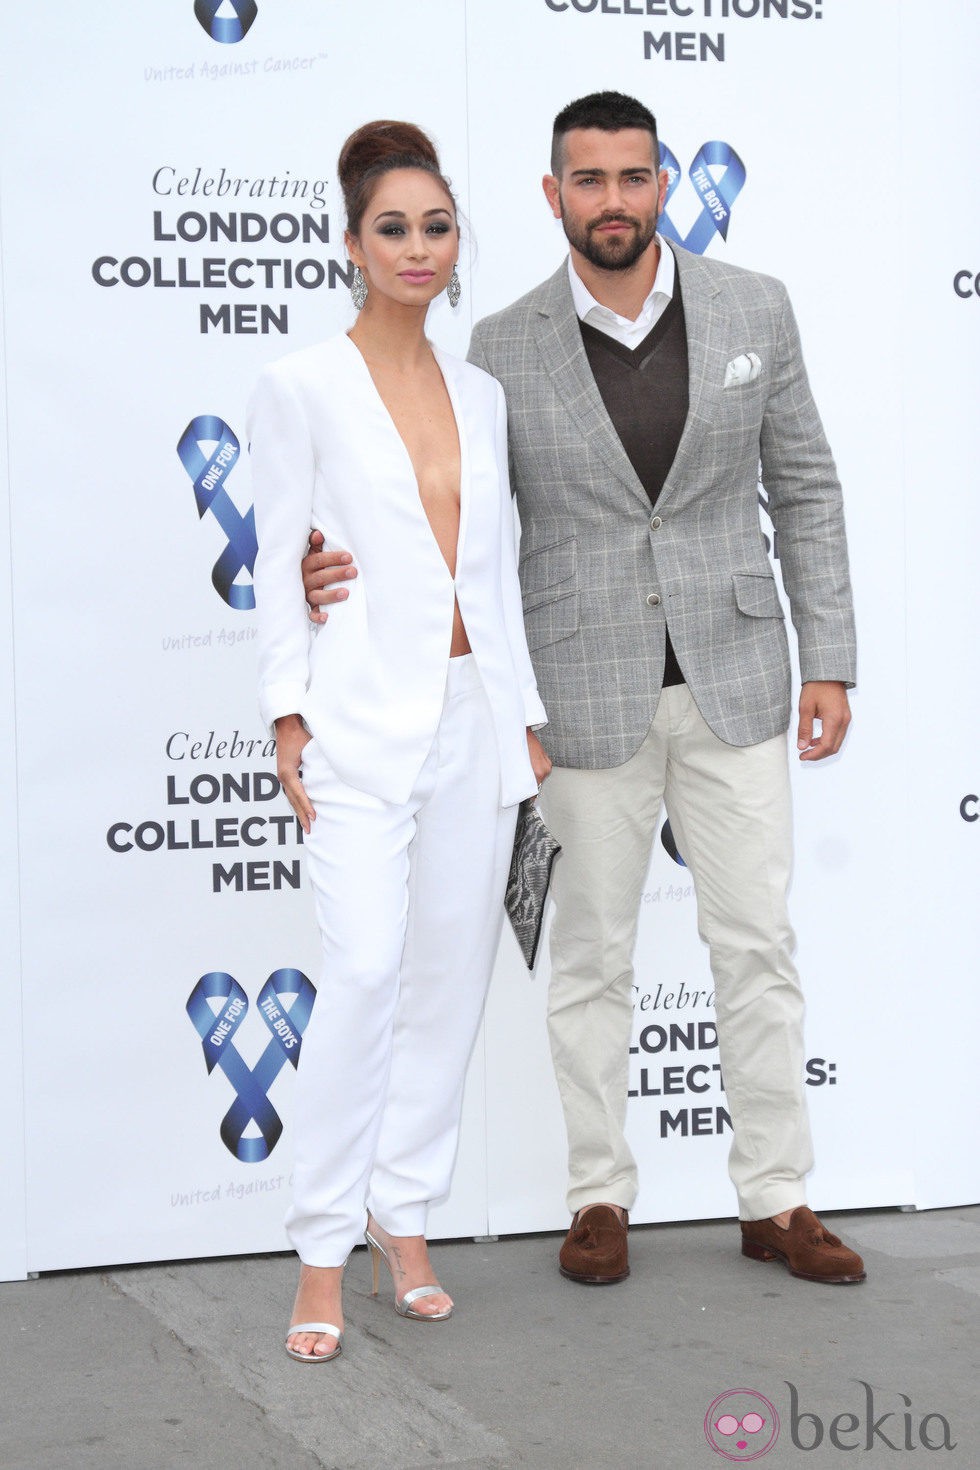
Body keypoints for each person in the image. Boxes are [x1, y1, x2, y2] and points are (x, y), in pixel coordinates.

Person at [302, 92, 865, 1289]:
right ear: (550, 196)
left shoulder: (752, 308)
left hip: (735, 674)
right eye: (586, 180)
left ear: (661, 183)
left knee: (754, 944)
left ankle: (775, 1196)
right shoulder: (499, 348)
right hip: (577, 692)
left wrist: (828, 656)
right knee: (590, 958)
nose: (612, 199)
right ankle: (596, 1194)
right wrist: (319, 559)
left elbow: (804, 487)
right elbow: (447, 522)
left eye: (632, 176)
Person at [249, 119, 550, 1363]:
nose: (418, 246)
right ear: (352, 244)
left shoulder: (479, 389)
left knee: (446, 987)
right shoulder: (300, 385)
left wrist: (523, 723)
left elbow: (500, 571)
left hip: (476, 725)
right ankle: (321, 1248)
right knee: (364, 973)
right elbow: (277, 566)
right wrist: (285, 715)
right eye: (393, 227)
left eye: (437, 225)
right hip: (360, 727)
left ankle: (402, 1216)